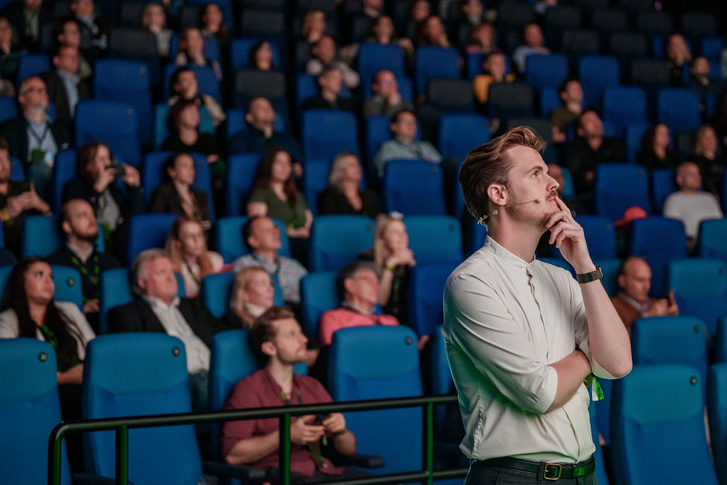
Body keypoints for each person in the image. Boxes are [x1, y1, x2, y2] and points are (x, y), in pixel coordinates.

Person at [445, 126, 632, 483]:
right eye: (536, 173)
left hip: (584, 474)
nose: (554, 183)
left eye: (548, 172)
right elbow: (540, 393)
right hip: (514, 476)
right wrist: (586, 356)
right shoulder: (470, 283)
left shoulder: (565, 276)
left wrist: (585, 267)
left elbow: (618, 363)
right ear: (498, 194)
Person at [221, 306, 366, 484]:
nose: (304, 339)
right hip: (278, 475)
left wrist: (340, 431)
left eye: (301, 333)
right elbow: (232, 455)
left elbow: (349, 449)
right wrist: (286, 435)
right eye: (291, 335)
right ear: (270, 348)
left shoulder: (312, 386)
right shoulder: (248, 390)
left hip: (323, 472)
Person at [0, 257, 95, 471]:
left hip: (84, 385)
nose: (49, 281)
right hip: (43, 395)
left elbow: (93, 349)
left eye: (51, 276)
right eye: (39, 275)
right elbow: (10, 372)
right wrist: (63, 378)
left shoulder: (68, 310)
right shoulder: (8, 320)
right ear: (20, 282)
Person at [107, 248, 229, 411]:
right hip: (178, 381)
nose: (171, 278)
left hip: (216, 372)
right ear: (142, 282)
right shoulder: (126, 314)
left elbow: (225, 335)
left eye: (172, 272)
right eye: (161, 273)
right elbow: (134, 362)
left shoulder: (193, 306)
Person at [46, 199, 121, 333]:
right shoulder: (52, 266)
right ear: (67, 227)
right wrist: (81, 308)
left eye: (93, 215)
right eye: (82, 216)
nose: (92, 220)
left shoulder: (111, 263)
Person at [62, 141, 143, 261]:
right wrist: (98, 188)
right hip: (90, 243)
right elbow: (80, 217)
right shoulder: (75, 187)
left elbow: (136, 219)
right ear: (87, 165)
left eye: (108, 158)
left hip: (118, 246)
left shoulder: (116, 192)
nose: (106, 163)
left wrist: (135, 188)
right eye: (100, 159)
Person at [0, 76, 73, 201]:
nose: (42, 93)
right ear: (22, 98)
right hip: (31, 175)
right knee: (40, 169)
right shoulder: (9, 128)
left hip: (59, 173)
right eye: (35, 90)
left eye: (44, 90)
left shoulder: (62, 129)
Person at [318, 261, 400, 346]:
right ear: (350, 285)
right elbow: (336, 353)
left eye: (377, 283)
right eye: (369, 281)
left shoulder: (390, 321)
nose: (376, 287)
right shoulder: (333, 318)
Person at [231, 216, 308, 306]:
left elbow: (311, 291)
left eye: (275, 228)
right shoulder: (244, 264)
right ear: (254, 241)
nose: (275, 232)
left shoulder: (292, 264)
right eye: (267, 230)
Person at [358, 213, 416, 325]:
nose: (402, 237)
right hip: (378, 323)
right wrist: (390, 265)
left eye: (404, 232)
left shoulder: (409, 263)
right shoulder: (366, 260)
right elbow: (380, 301)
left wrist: (414, 268)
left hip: (405, 324)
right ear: (381, 239)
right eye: (395, 232)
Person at [0, 135, 51, 256]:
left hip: (39, 248)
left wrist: (42, 206)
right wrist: (5, 214)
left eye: (6, 160)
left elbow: (52, 223)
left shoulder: (24, 188)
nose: (5, 166)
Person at [247, 148, 313, 240]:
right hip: (277, 242)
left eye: (288, 163)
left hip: (303, 239)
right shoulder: (259, 193)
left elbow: (308, 217)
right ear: (268, 165)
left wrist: (304, 230)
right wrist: (292, 233)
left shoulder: (296, 193)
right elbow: (258, 227)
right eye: (279, 163)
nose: (285, 167)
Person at [663, 161, 723, 250]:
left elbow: (719, 222)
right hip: (693, 243)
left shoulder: (709, 198)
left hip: (717, 238)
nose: (697, 178)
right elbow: (674, 230)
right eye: (691, 174)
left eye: (698, 174)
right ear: (679, 179)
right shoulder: (673, 199)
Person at [611, 256, 679, 335]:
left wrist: (673, 318)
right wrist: (647, 318)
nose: (647, 287)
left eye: (649, 280)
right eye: (640, 280)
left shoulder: (657, 304)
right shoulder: (611, 307)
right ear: (622, 281)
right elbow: (614, 340)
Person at [566, 109, 625, 197]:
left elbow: (620, 169)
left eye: (597, 119)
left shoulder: (614, 144)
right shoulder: (575, 148)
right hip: (587, 194)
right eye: (590, 121)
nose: (596, 123)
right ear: (580, 131)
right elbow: (576, 175)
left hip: (615, 189)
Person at [227, 97, 303, 163]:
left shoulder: (288, 140)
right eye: (260, 107)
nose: (267, 109)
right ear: (249, 117)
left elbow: (298, 164)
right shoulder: (240, 141)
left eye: (269, 106)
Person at [162, 99, 223, 181]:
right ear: (178, 115)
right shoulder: (170, 144)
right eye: (189, 111)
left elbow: (216, 164)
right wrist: (203, 163)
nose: (194, 114)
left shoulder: (208, 139)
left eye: (196, 111)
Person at [372, 108, 443, 178]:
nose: (410, 125)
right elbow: (385, 176)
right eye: (405, 122)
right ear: (394, 127)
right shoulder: (388, 148)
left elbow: (442, 169)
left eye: (413, 122)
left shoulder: (426, 146)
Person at [148, 152, 213, 227]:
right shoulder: (163, 193)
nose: (191, 170)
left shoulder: (201, 195)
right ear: (171, 171)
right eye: (185, 166)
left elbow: (208, 222)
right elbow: (157, 222)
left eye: (192, 166)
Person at [165, 215, 223, 298]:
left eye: (199, 235)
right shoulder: (169, 267)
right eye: (189, 236)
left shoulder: (216, 260)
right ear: (178, 242)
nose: (197, 240)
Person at [318, 152, 381, 217]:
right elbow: (330, 222)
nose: (358, 167)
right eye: (351, 165)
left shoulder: (370, 195)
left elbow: (376, 219)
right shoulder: (329, 196)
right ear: (340, 169)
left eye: (358, 164)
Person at [40, 44, 91, 122]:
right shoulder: (48, 80)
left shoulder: (82, 85)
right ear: (57, 61)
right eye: (69, 56)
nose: (75, 59)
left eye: (76, 56)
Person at [690, 124, 726, 196]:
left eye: (713, 137)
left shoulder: (723, 159)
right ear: (700, 140)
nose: (711, 140)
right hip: (708, 195)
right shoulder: (694, 160)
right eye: (706, 137)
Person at [550, 79, 583, 144]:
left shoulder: (589, 113)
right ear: (564, 95)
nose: (578, 90)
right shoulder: (559, 113)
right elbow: (555, 137)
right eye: (573, 88)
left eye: (579, 88)